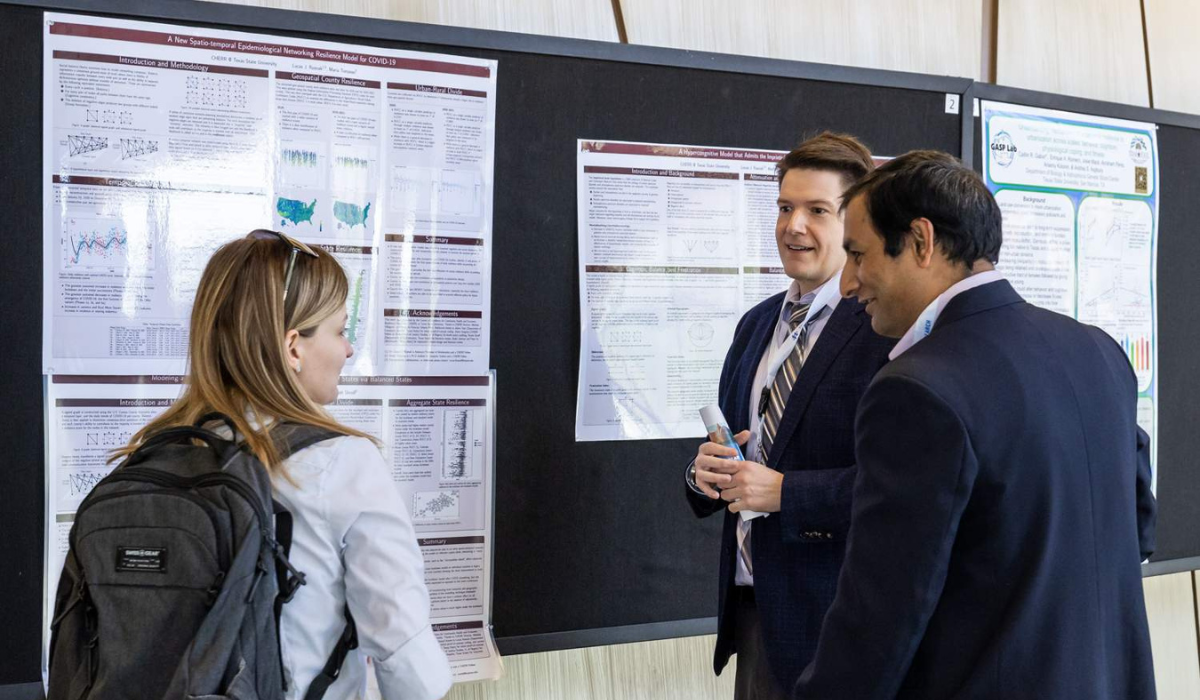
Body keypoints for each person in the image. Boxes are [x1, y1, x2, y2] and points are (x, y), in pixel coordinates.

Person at [793, 151, 1157, 699]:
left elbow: (881, 613)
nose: (849, 284)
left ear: (921, 241)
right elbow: (1140, 527)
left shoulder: (916, 389)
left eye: (859, 254)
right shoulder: (1099, 352)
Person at [112, 230, 452, 700]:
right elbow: (405, 653)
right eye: (339, 330)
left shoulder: (156, 451)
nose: (348, 349)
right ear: (294, 346)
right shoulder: (342, 463)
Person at [686, 133, 895, 699]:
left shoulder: (881, 328)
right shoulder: (755, 325)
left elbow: (897, 486)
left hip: (838, 620)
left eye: (817, 211)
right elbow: (735, 450)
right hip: (754, 611)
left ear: (854, 225)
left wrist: (785, 494)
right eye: (784, 207)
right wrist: (703, 474)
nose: (793, 225)